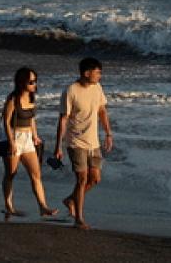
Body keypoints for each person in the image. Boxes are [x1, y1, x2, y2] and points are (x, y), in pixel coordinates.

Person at [54, 57, 113, 230]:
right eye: (97, 72)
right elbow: (63, 119)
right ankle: (79, 219)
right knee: (82, 179)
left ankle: (71, 199)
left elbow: (102, 110)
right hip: (76, 141)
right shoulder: (71, 91)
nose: (99, 76)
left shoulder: (97, 87)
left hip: (93, 142)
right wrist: (58, 146)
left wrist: (108, 134)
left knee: (95, 179)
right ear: (86, 73)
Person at [1, 67, 58, 218]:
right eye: (31, 82)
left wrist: (35, 136)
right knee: (10, 174)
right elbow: (6, 122)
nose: (34, 84)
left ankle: (43, 206)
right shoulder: (13, 98)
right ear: (22, 82)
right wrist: (12, 142)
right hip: (14, 137)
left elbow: (32, 119)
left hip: (28, 140)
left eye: (35, 81)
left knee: (36, 174)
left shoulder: (32, 98)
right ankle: (9, 206)